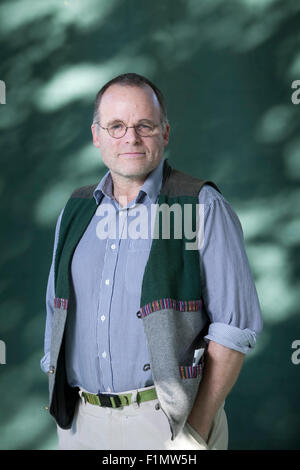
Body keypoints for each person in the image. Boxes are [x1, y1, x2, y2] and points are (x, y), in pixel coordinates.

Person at [40, 72, 263, 450]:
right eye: (116, 126)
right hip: (81, 424)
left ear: (165, 133)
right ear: (97, 136)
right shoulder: (76, 210)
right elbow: (55, 309)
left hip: (168, 426)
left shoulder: (201, 207)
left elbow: (233, 330)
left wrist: (193, 432)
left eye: (144, 125)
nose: (131, 137)